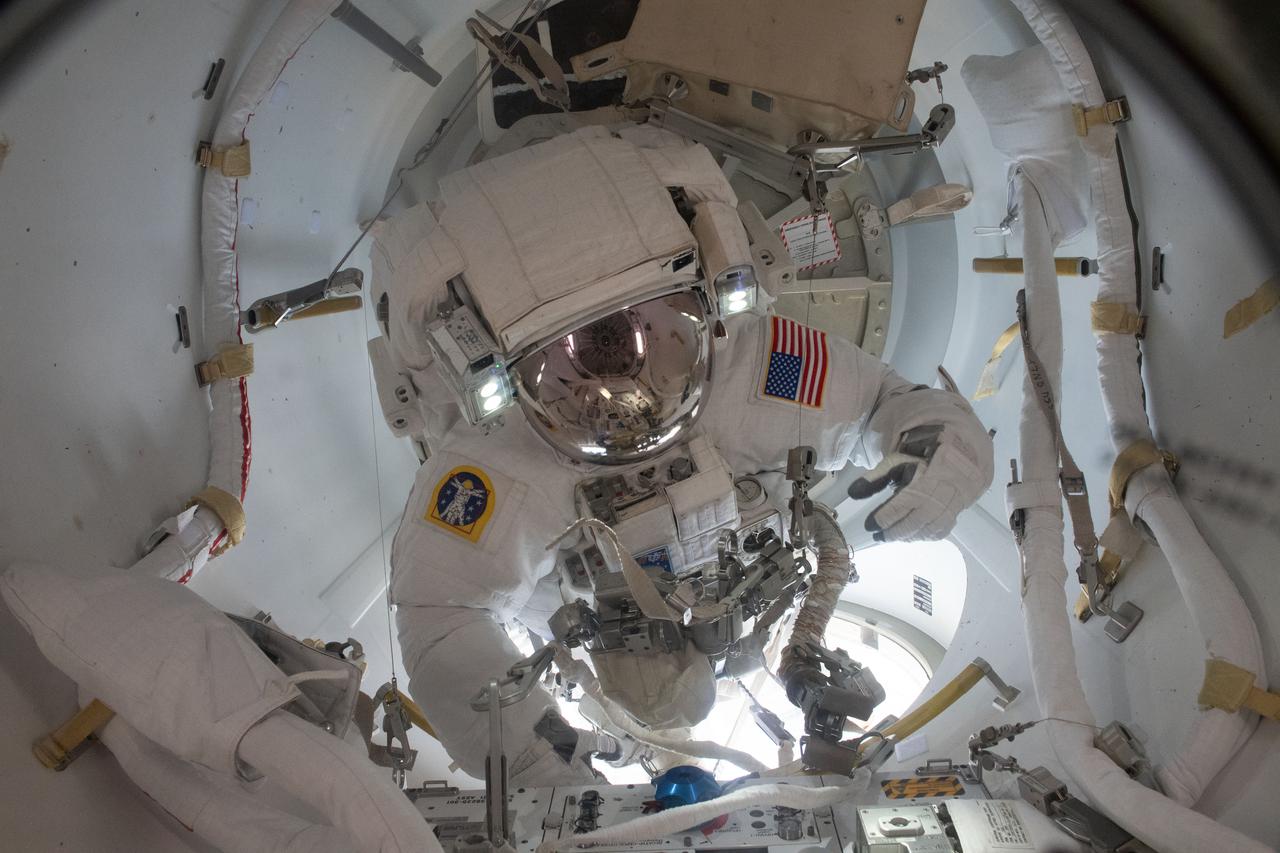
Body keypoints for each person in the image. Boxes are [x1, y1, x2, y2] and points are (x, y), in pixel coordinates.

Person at [369, 125, 994, 786]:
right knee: (667, 701)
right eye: (570, 365)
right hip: (610, 645)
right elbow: (443, 619)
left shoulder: (755, 363)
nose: (625, 393)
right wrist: (537, 753)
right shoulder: (493, 463)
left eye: (654, 332)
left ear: (707, 298)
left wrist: (940, 453)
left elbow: (889, 404)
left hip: (749, 596)